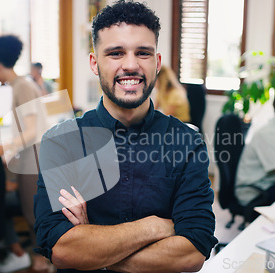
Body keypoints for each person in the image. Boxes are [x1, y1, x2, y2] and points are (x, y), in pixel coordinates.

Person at [33, 1, 217, 272]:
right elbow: (62, 249)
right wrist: (155, 226)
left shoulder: (187, 143)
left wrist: (93, 245)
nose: (130, 65)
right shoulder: (61, 143)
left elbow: (192, 253)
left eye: (143, 53)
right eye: (116, 53)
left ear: (157, 62)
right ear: (95, 64)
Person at [0, 34, 50, 272]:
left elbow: (31, 131)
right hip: (29, 155)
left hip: (35, 154)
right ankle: (40, 259)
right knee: (30, 211)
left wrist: (4, 147)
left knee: (33, 214)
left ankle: (43, 261)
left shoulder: (22, 86)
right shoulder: (19, 85)